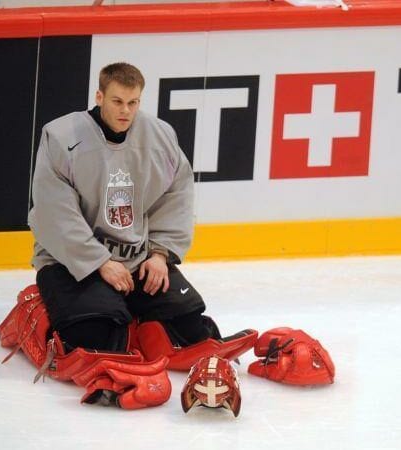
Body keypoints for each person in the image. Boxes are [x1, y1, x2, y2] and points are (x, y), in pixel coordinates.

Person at [28, 62, 254, 365]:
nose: (126, 111)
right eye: (117, 101)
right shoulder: (61, 136)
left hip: (136, 258)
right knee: (94, 334)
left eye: (133, 103)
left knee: (188, 322)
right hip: (70, 262)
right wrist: (100, 262)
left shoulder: (160, 136)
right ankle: (40, 316)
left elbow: (177, 195)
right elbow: (52, 211)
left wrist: (160, 254)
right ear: (99, 96)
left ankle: (137, 329)